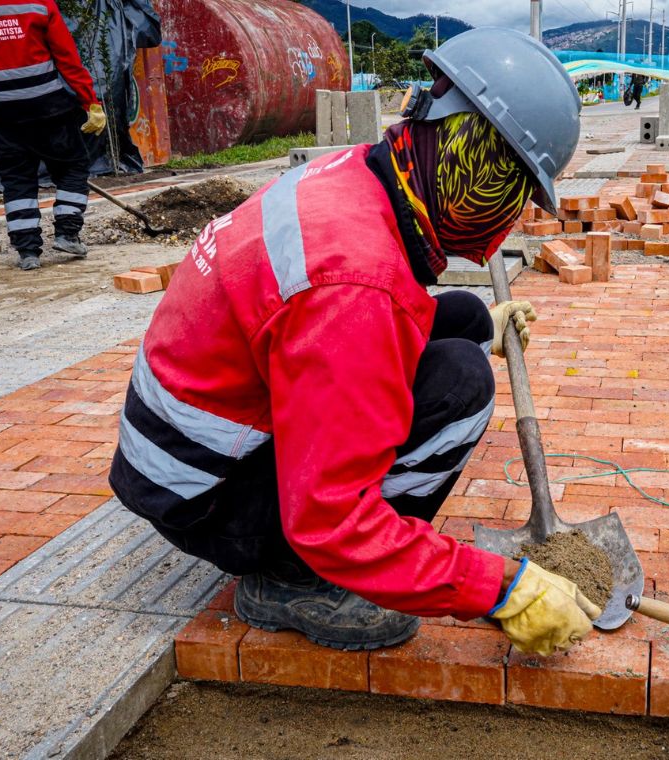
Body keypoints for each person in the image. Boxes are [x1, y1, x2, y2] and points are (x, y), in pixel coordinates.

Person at [109, 28, 602, 655]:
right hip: (206, 500)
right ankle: (296, 581)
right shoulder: (356, 287)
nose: (511, 215)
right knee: (464, 384)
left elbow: (357, 313)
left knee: (467, 322)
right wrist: (497, 588)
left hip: (185, 452)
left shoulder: (356, 175)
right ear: (474, 162)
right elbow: (329, 518)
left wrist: (486, 334)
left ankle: (338, 547)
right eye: (516, 191)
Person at [0, 0, 107, 271]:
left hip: (2, 110)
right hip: (46, 103)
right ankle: (67, 233)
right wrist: (89, 101)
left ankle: (27, 250)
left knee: (17, 177)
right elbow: (66, 56)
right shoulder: (40, 4)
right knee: (72, 164)